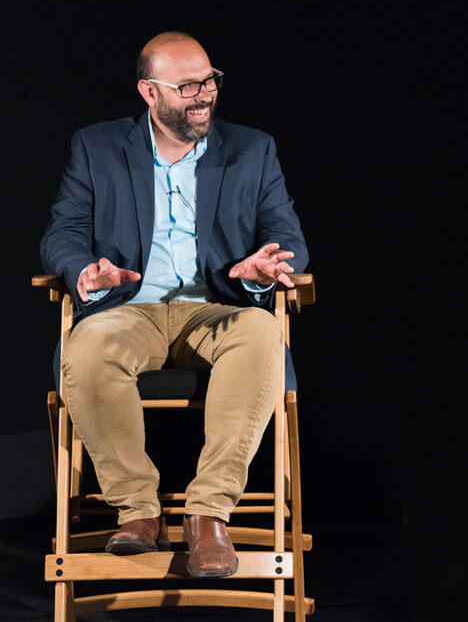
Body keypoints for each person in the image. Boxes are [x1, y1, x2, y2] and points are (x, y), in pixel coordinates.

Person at [40, 32, 308, 578]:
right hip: (128, 307)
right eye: (187, 86)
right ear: (149, 91)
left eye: (209, 80)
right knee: (86, 347)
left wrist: (266, 266)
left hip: (217, 307)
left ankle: (208, 515)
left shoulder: (253, 149)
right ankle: (138, 513)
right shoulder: (96, 146)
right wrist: (84, 271)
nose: (203, 94)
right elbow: (62, 234)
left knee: (261, 334)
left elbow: (288, 235)